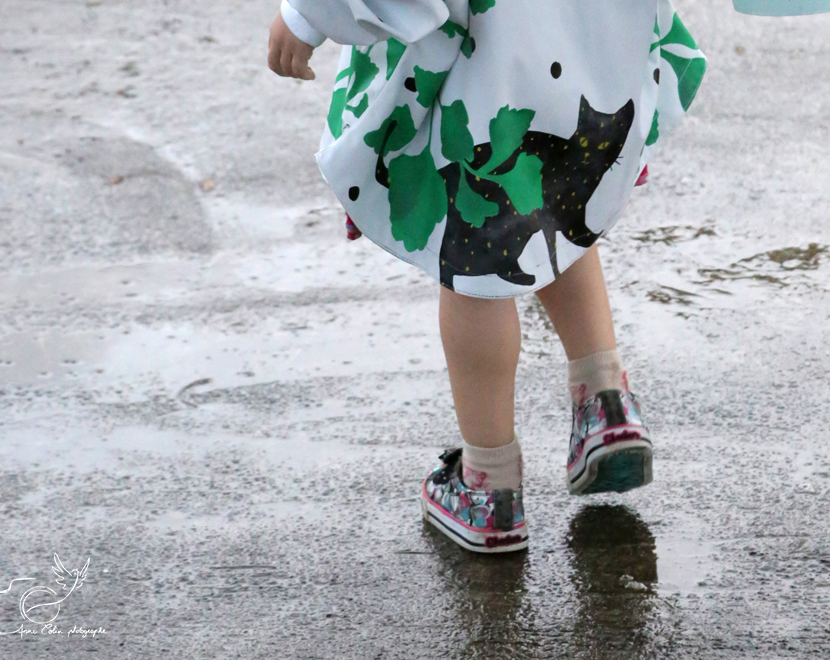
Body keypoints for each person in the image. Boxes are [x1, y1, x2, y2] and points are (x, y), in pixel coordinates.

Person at [267, 0, 706, 553]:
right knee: (556, 204)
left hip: (484, 61)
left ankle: (487, 485)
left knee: (477, 255)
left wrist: (308, 16)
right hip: (588, 41)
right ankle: (606, 403)